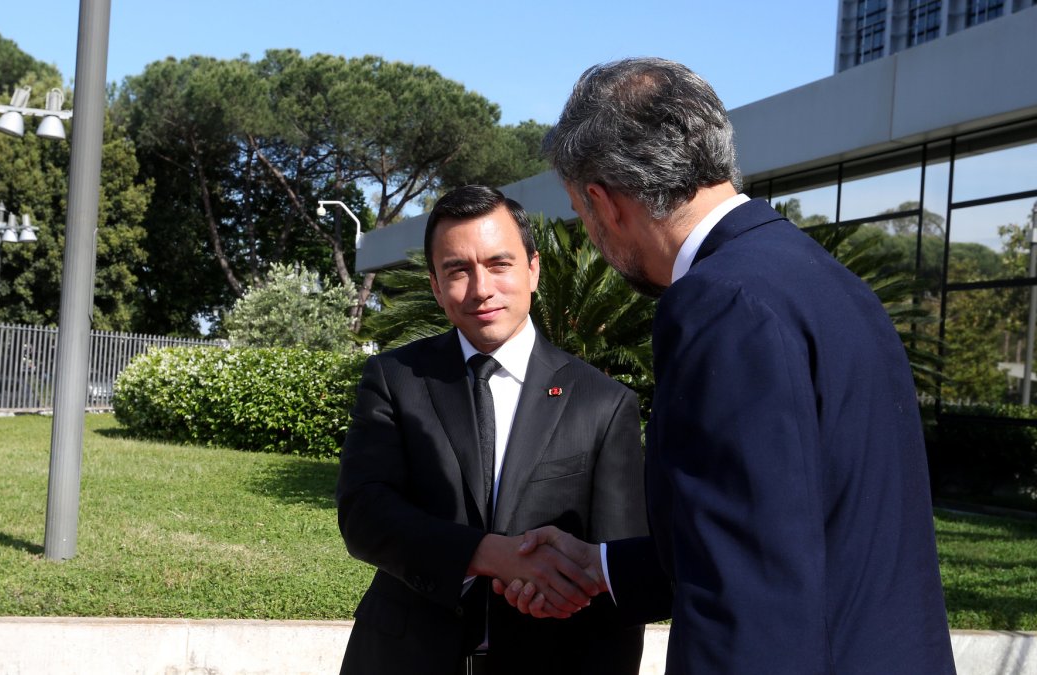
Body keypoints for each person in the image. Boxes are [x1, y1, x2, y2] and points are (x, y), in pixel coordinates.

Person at [497, 57, 957, 674]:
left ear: (604, 203)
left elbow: (749, 584)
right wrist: (600, 565)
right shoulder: (829, 282)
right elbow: (802, 523)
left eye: (580, 214)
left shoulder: (718, 303)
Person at [335, 185, 649, 674]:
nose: (481, 289)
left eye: (499, 264)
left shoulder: (604, 405)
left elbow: (618, 579)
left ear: (533, 269)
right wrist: (490, 556)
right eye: (457, 270)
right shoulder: (395, 378)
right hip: (401, 657)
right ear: (436, 288)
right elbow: (365, 514)